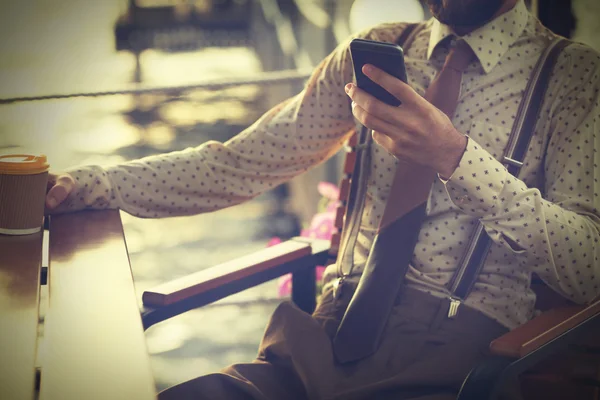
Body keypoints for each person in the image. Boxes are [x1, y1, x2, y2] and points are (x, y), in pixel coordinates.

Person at [46, 0, 600, 398]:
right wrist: (91, 185)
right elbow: (240, 162)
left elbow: (588, 269)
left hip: (455, 361)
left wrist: (455, 156)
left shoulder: (575, 78)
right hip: (324, 338)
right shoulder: (382, 52)